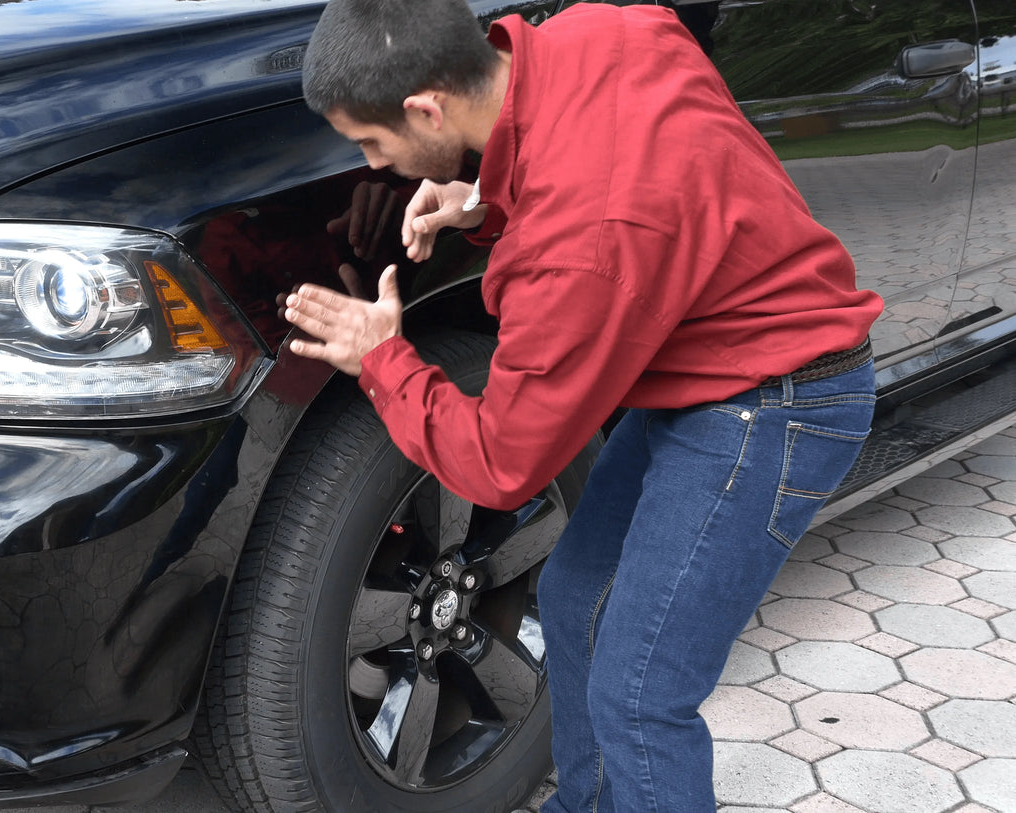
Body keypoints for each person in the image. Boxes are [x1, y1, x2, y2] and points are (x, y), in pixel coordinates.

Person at [280, 1, 883, 811]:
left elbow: (499, 462)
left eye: (371, 141)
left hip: (772, 404)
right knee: (575, 597)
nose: (377, 164)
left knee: (640, 695)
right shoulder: (603, 28)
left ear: (426, 106)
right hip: (701, 371)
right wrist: (483, 200)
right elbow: (630, 149)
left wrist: (381, 358)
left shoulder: (582, 241)